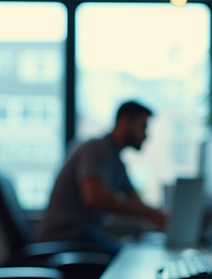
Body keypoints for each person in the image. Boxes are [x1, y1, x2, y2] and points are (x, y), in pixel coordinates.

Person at [35, 101, 167, 254]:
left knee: (132, 251)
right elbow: (94, 198)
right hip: (65, 238)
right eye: (143, 127)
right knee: (127, 257)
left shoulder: (117, 163)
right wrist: (152, 214)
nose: (146, 135)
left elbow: (136, 202)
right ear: (124, 121)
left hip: (85, 236)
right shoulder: (96, 148)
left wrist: (158, 215)